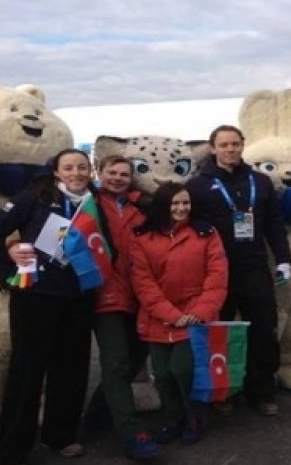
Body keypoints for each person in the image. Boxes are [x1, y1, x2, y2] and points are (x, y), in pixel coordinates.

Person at [8, 154, 161, 460]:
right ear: (100, 174)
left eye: (124, 174)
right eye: (111, 172)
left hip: (121, 296)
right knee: (110, 365)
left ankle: (84, 422)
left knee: (107, 366)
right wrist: (10, 251)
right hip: (86, 295)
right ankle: (129, 435)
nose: (118, 178)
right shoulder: (77, 201)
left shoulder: (137, 206)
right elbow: (10, 231)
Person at [0, 149, 101, 465]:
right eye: (69, 167)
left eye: (82, 167)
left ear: (90, 170)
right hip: (36, 297)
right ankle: (12, 448)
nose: (76, 172)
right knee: (27, 373)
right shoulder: (34, 195)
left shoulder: (94, 201)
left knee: (71, 371)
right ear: (57, 172)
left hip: (78, 298)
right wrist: (6, 269)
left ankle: (60, 436)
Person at [184, 125, 291, 416]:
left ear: (243, 145)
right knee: (217, 332)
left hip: (254, 267)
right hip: (215, 271)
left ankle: (261, 391)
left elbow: (273, 223)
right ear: (213, 148)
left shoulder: (261, 181)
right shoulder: (197, 185)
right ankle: (221, 391)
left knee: (263, 330)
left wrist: (283, 259)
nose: (230, 149)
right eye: (224, 145)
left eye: (235, 143)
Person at [130, 182, 228, 446]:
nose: (181, 208)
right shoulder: (143, 237)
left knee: (182, 369)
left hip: (196, 317)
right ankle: (173, 420)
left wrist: (201, 312)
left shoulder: (206, 234)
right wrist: (171, 314)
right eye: (175, 203)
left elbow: (217, 277)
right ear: (163, 205)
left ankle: (195, 417)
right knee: (162, 375)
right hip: (159, 317)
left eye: (185, 203)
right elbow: (143, 283)